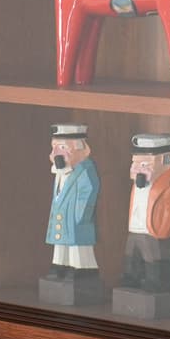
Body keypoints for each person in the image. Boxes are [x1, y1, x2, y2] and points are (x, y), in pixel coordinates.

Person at [121, 132, 170, 294]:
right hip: (135, 228)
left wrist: (162, 229)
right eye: (135, 163)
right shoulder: (139, 182)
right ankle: (132, 278)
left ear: (166, 160)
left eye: (144, 164)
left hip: (154, 230)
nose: (137, 169)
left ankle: (155, 282)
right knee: (132, 255)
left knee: (154, 258)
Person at [43, 123, 101, 290]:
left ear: (78, 148)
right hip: (62, 215)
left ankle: (82, 269)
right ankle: (59, 265)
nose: (56, 153)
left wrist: (80, 215)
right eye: (54, 147)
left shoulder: (85, 169)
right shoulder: (60, 170)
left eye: (62, 147)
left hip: (77, 218)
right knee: (60, 244)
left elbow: (89, 191)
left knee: (78, 246)